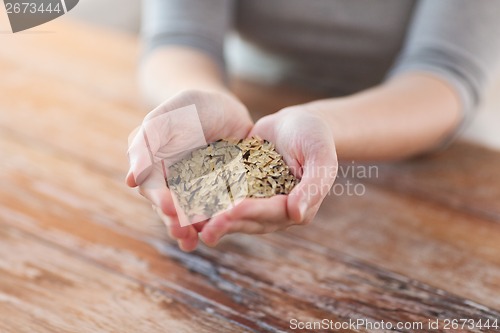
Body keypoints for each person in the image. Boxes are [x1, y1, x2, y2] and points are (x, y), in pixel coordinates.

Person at [126, 0, 500, 252]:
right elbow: (180, 39)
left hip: (421, 138)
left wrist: (321, 124)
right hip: (252, 108)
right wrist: (195, 101)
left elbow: (445, 72)